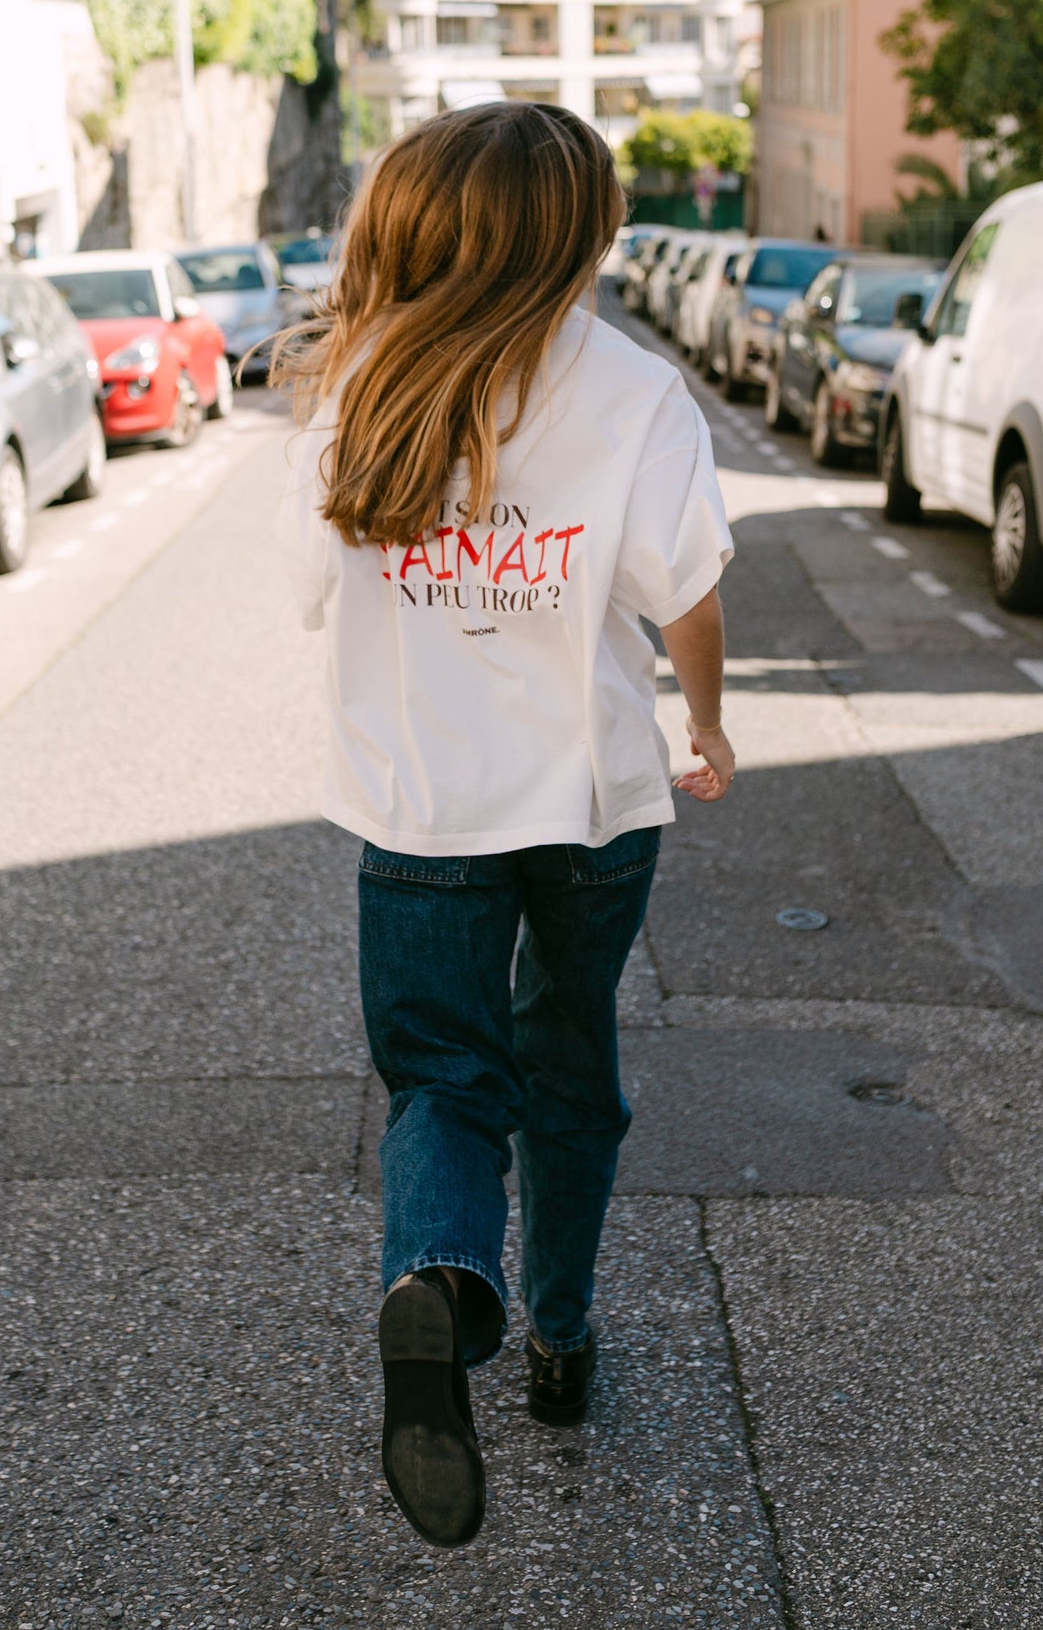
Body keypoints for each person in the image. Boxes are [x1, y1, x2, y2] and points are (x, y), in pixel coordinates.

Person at [273, 103, 735, 1549]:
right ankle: (561, 1333)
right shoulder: (635, 387)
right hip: (591, 803)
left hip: (423, 801)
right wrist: (709, 722)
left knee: (444, 1077)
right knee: (568, 1057)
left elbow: (307, 589)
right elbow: (686, 593)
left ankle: (437, 1275)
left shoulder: (364, 382)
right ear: (581, 236)